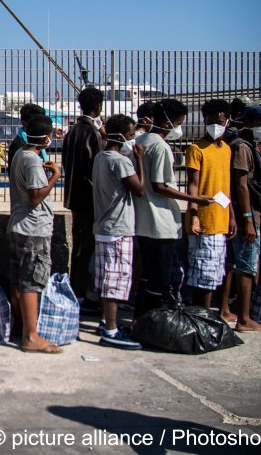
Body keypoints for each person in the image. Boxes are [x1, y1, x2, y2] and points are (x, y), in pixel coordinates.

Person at [133, 99, 209, 315]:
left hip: (143, 221)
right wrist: (195, 199)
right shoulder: (160, 146)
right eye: (179, 122)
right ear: (168, 123)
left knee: (147, 276)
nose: (179, 127)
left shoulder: (141, 141)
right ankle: (154, 321)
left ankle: (141, 319)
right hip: (160, 222)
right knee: (160, 279)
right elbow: (159, 186)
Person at [7, 114, 62, 354]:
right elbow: (35, 196)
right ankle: (31, 336)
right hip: (33, 229)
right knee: (31, 283)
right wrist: (56, 177)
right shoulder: (30, 159)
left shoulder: (21, 154)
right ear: (47, 137)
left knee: (20, 280)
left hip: (20, 225)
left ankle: (23, 328)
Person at [92, 115, 144, 350]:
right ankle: (111, 330)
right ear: (121, 136)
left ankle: (106, 322)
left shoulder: (101, 157)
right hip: (118, 228)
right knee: (114, 282)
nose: (133, 139)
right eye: (131, 135)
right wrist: (139, 160)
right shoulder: (121, 162)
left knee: (106, 280)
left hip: (104, 226)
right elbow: (139, 189)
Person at [225, 105, 261, 331]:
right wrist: (248, 218)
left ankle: (235, 313)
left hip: (242, 214)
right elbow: (241, 186)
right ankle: (244, 319)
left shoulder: (240, 145)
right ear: (251, 124)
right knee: (246, 266)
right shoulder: (242, 148)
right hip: (246, 215)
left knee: (236, 264)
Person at [184, 99, 232, 310]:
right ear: (204, 120)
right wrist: (194, 215)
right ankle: (201, 316)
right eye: (211, 121)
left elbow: (226, 187)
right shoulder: (195, 149)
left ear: (227, 122)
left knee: (214, 273)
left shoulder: (227, 150)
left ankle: (204, 316)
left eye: (220, 121)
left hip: (221, 220)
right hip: (203, 221)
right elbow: (192, 186)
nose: (215, 125)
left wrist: (231, 217)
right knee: (203, 274)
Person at [62, 86, 105, 312]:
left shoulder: (72, 132)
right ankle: (81, 293)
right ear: (97, 107)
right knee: (87, 247)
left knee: (78, 246)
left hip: (73, 197)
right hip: (89, 200)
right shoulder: (93, 133)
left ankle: (75, 290)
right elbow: (96, 169)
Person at [7, 103, 48, 172]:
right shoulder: (19, 146)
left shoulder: (36, 143)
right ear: (24, 123)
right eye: (37, 122)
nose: (41, 125)